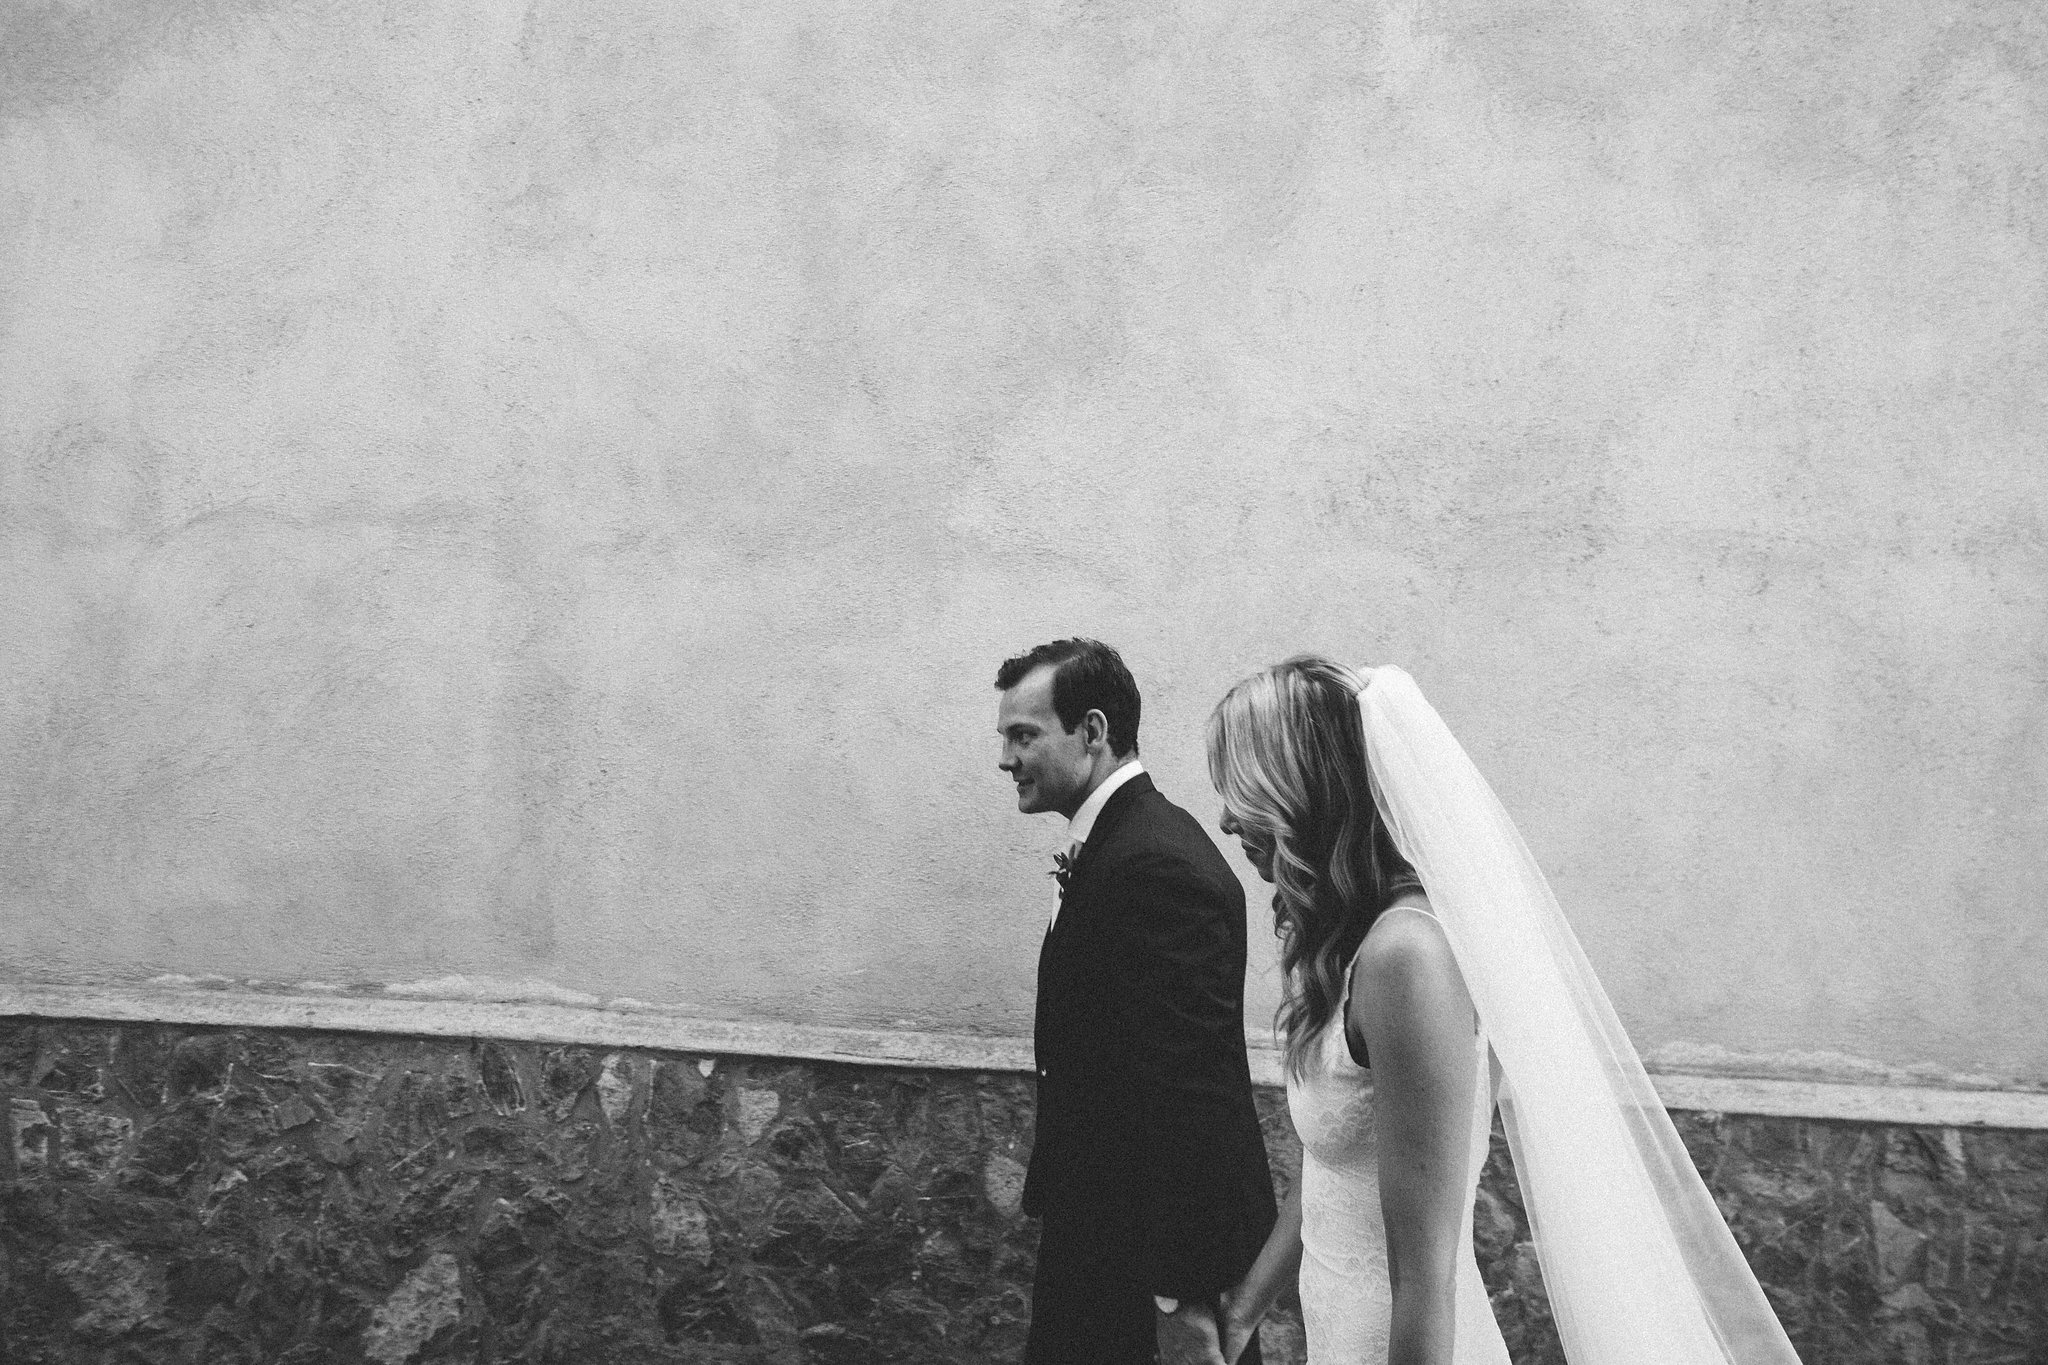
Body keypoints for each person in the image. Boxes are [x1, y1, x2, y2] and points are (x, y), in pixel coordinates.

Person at [1206, 658, 1804, 1365]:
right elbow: (1340, 1165)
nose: (1224, 817)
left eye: (1240, 789)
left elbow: (1424, 1277)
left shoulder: (1408, 958)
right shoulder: (1351, 948)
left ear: (1303, 790)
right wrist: (1246, 1304)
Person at [995, 638, 1277, 1365]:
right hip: (1098, 1240)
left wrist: (1178, 1302)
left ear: (1092, 731)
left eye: (1023, 735)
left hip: (1142, 1269)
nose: (1006, 757)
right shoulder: (1122, 846)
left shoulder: (1153, 864)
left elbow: (1190, 1097)